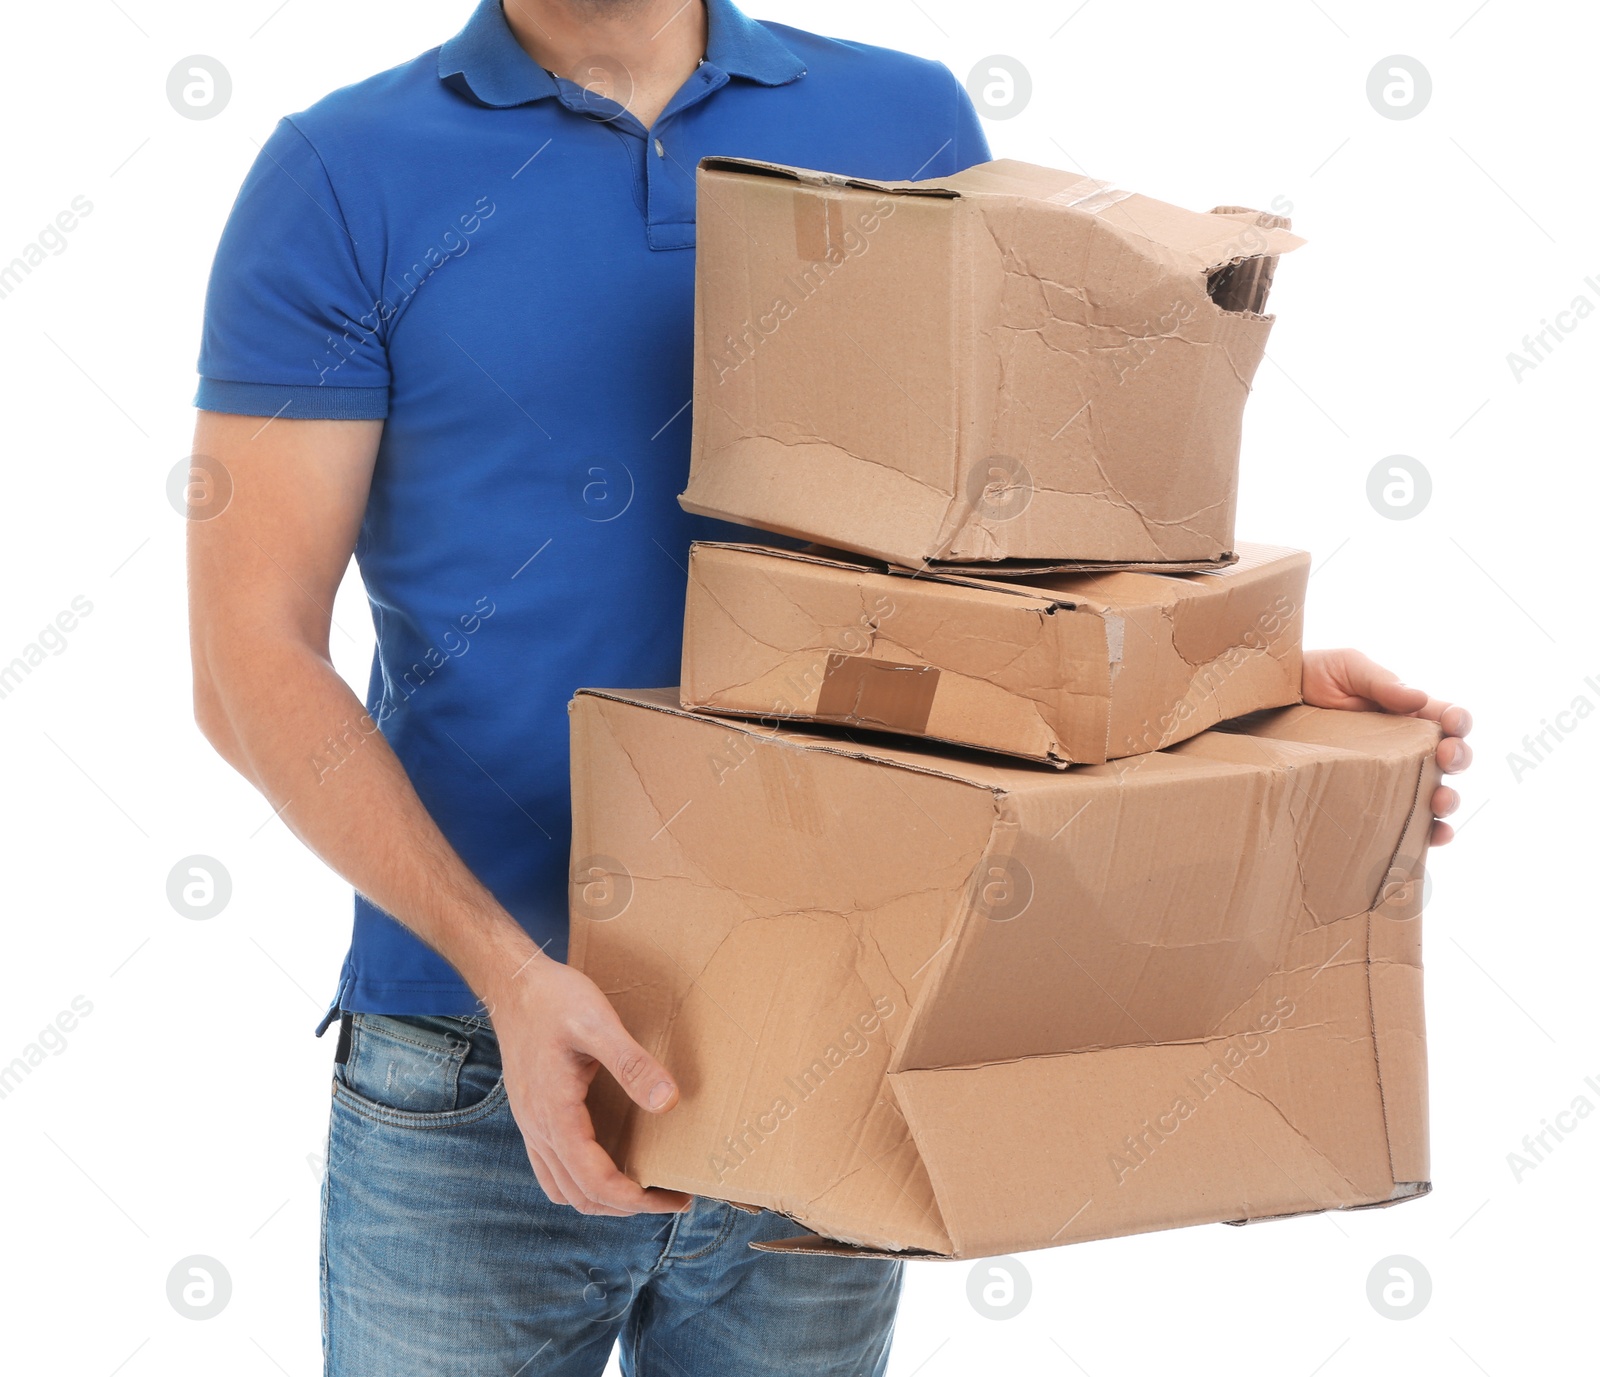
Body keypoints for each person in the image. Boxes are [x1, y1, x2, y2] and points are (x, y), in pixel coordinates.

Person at [186, 1, 1472, 1372]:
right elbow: (246, 657)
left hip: (836, 1028)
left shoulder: (904, 128)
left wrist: (1243, 692)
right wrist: (507, 975)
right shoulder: (341, 173)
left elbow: (1008, 568)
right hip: (476, 1067)